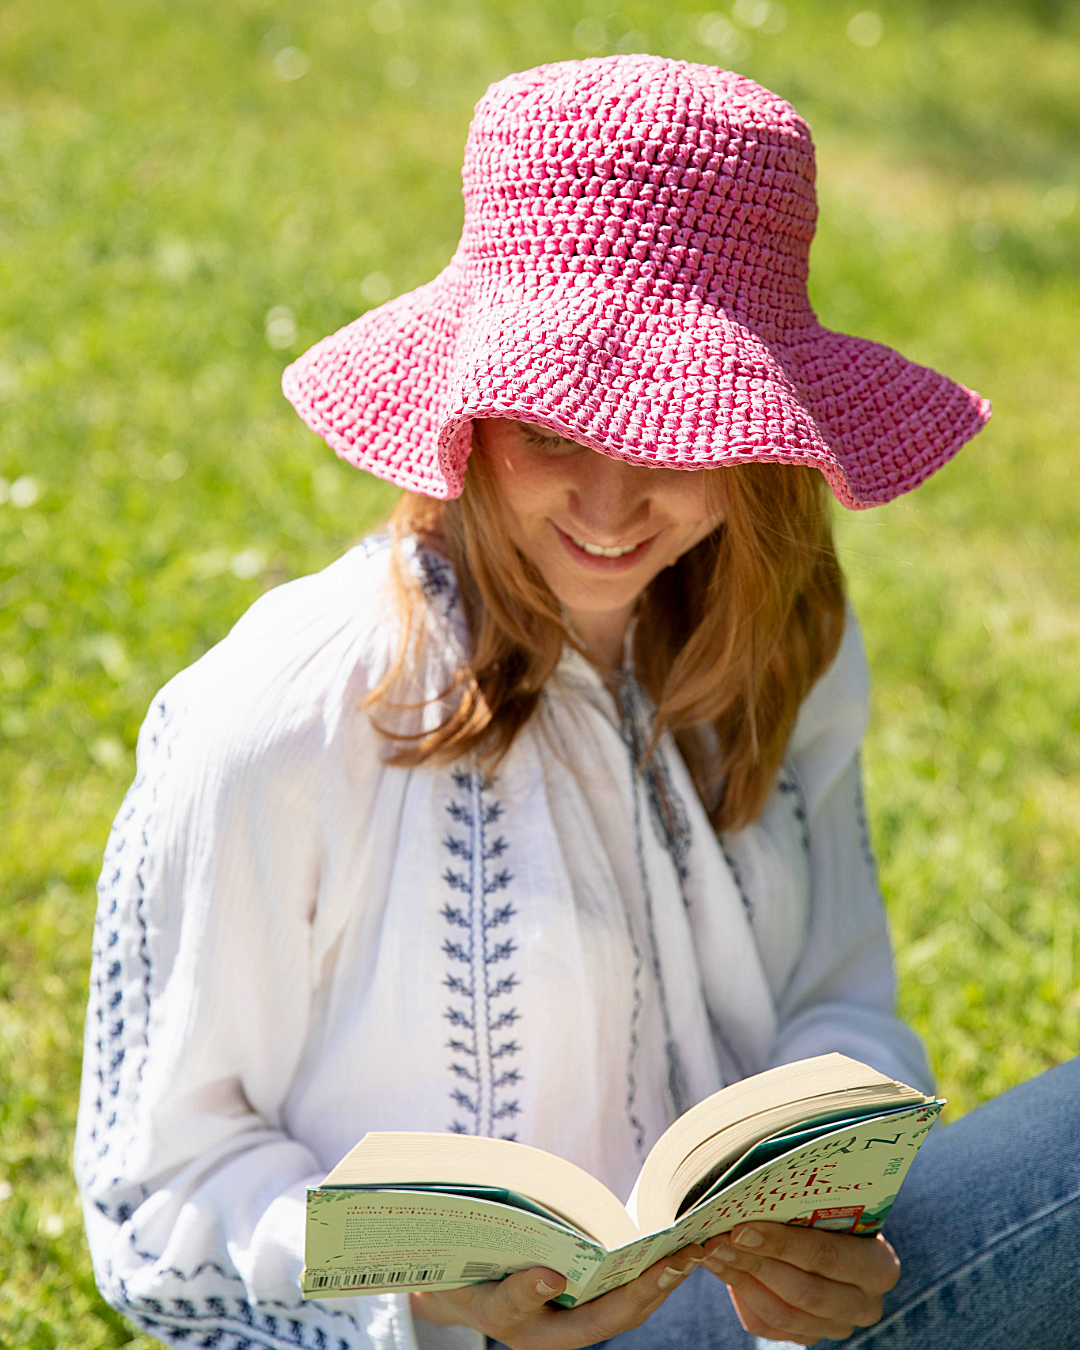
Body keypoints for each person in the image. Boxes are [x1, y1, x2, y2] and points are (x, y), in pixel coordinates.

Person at [74, 55, 1080, 1350]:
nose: (612, 510)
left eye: (674, 431)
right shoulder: (281, 720)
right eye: (553, 428)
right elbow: (155, 1194)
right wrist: (424, 1299)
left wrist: (830, 1219)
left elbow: (841, 995)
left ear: (759, 435)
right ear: (470, 411)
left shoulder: (782, 652)